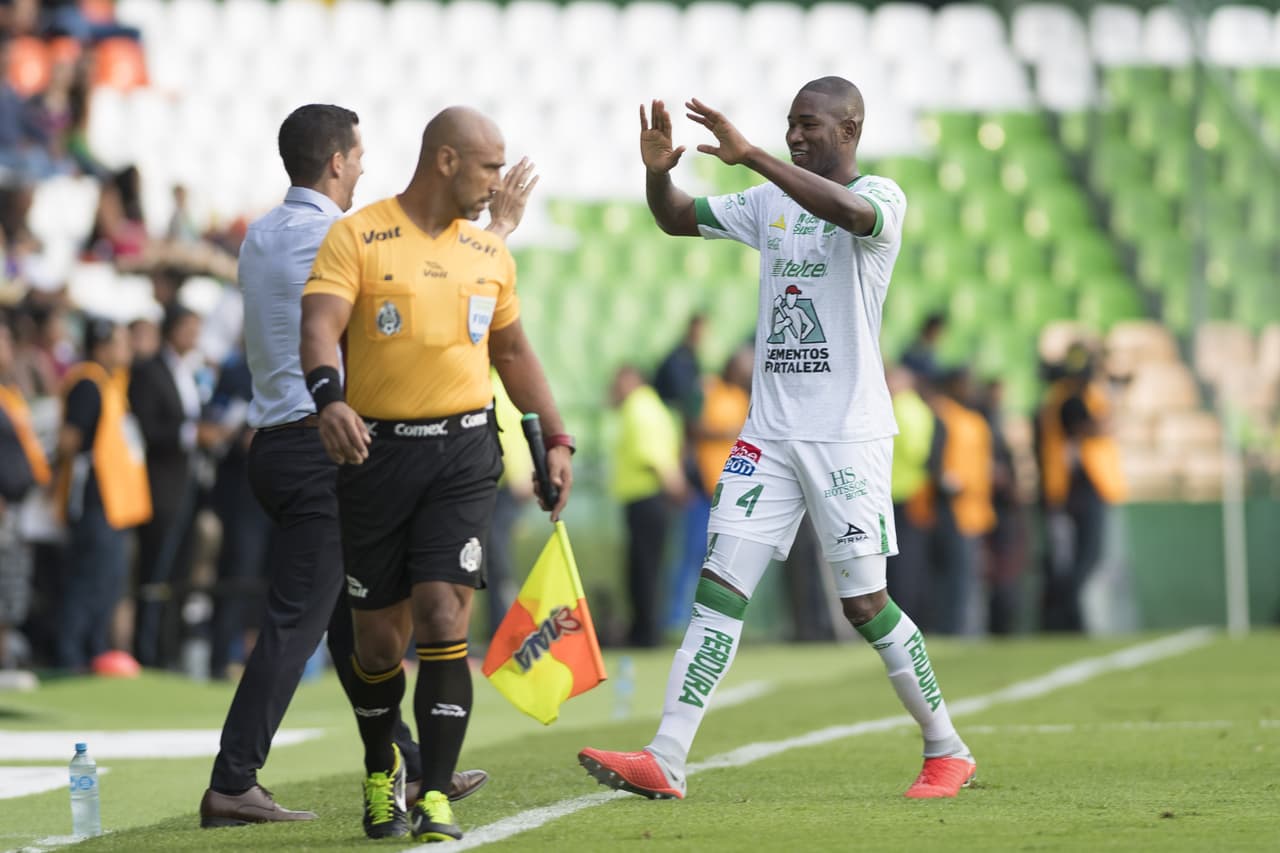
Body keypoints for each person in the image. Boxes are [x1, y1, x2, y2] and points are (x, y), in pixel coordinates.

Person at [578, 78, 976, 801]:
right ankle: (667, 755)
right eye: (790, 124)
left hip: (846, 437)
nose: (794, 135)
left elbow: (850, 213)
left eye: (808, 125)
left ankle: (946, 747)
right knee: (719, 589)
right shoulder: (769, 202)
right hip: (767, 435)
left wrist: (754, 155)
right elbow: (675, 218)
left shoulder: (881, 197)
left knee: (865, 606)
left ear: (849, 130)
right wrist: (657, 173)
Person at [200, 104, 535, 827]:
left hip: (273, 440)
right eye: (356, 158)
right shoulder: (344, 236)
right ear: (335, 163)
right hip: (327, 443)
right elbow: (436, 287)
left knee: (353, 624)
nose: (362, 171)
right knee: (300, 618)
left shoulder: (259, 236)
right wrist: (499, 232)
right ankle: (233, 780)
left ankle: (407, 764)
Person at [300, 104, 573, 843]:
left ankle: (436, 795)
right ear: (446, 160)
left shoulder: (489, 254)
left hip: (463, 453)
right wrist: (329, 398)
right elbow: (320, 325)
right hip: (376, 454)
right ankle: (381, 767)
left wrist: (554, 437)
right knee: (378, 646)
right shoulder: (357, 236)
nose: (499, 184)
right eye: (490, 167)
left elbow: (512, 353)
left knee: (444, 616)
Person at [52, 317, 151, 671]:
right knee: (87, 582)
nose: (128, 349)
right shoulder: (87, 384)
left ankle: (95, 652)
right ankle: (70, 657)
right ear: (101, 346)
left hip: (116, 504)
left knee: (107, 583)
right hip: (95, 500)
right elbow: (69, 440)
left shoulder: (112, 383)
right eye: (120, 342)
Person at [128, 304, 214, 669]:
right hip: (161, 486)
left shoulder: (190, 371)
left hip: (187, 485)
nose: (195, 336)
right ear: (172, 329)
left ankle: (168, 648)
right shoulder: (150, 371)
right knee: (154, 570)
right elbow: (149, 427)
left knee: (178, 569)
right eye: (189, 328)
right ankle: (145, 651)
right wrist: (192, 434)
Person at [1036, 343, 1126, 632]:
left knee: (1083, 558)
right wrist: (1115, 404)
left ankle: (1069, 616)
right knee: (1081, 558)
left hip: (1080, 490)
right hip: (1078, 491)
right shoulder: (1068, 400)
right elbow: (1090, 428)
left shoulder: (1068, 398)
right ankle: (1067, 618)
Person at [610, 364, 687, 647]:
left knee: (644, 570)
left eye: (618, 383)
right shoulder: (652, 408)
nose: (614, 390)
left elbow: (653, 456)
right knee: (647, 567)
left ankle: (646, 633)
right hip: (649, 499)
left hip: (646, 498)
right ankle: (646, 629)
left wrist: (675, 486)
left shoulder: (639, 409)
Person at [0, 315, 50, 685]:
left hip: (18, 507)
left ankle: (5, 661)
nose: (8, 348)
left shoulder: (10, 393)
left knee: (11, 587)